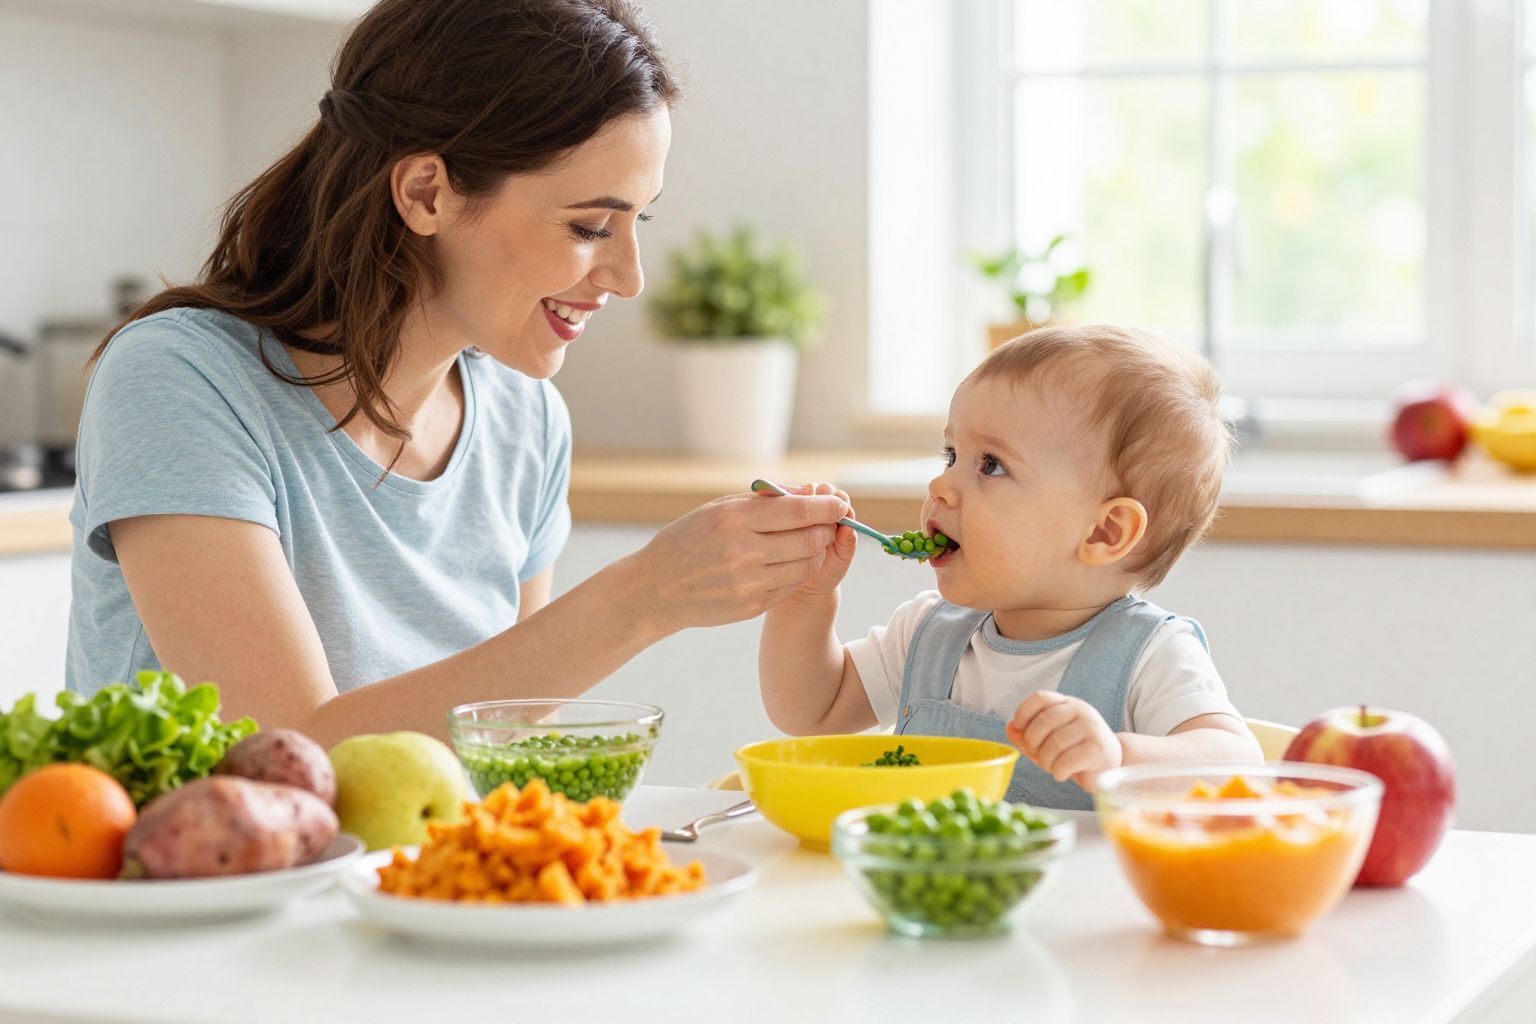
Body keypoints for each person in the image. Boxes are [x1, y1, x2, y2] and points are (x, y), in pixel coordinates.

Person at [65, 0, 849, 746]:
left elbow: (499, 737)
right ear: (425, 192)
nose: (628, 276)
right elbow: (291, 752)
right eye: (589, 226)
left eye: (637, 222)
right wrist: (645, 596)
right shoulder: (180, 381)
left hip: (415, 887)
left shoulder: (525, 419)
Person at [757, 325, 1262, 809]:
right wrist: (805, 597)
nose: (941, 485)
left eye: (991, 465)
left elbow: (1236, 764)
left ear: (1103, 532)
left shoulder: (1151, 655)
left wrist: (1118, 755)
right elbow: (810, 712)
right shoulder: (926, 635)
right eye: (951, 453)